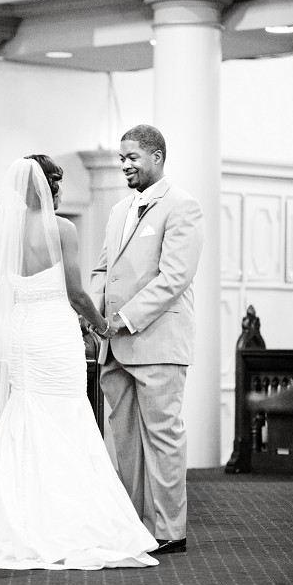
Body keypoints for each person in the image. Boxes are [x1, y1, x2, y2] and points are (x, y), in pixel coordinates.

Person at [0, 156, 159, 570]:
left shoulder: (4, 234)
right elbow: (76, 293)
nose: (59, 190)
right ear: (46, 189)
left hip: (23, 335)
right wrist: (100, 325)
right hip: (54, 333)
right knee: (66, 416)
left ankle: (16, 518)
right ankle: (66, 517)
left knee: (27, 413)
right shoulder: (62, 229)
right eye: (56, 183)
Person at [92, 124, 205, 555]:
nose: (125, 165)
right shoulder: (118, 210)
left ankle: (168, 529)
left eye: (132, 157)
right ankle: (133, 523)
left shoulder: (183, 206)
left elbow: (175, 277)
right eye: (121, 158)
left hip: (157, 339)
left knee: (162, 435)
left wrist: (123, 317)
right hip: (114, 344)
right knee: (122, 440)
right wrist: (96, 314)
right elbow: (103, 269)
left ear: (156, 156)